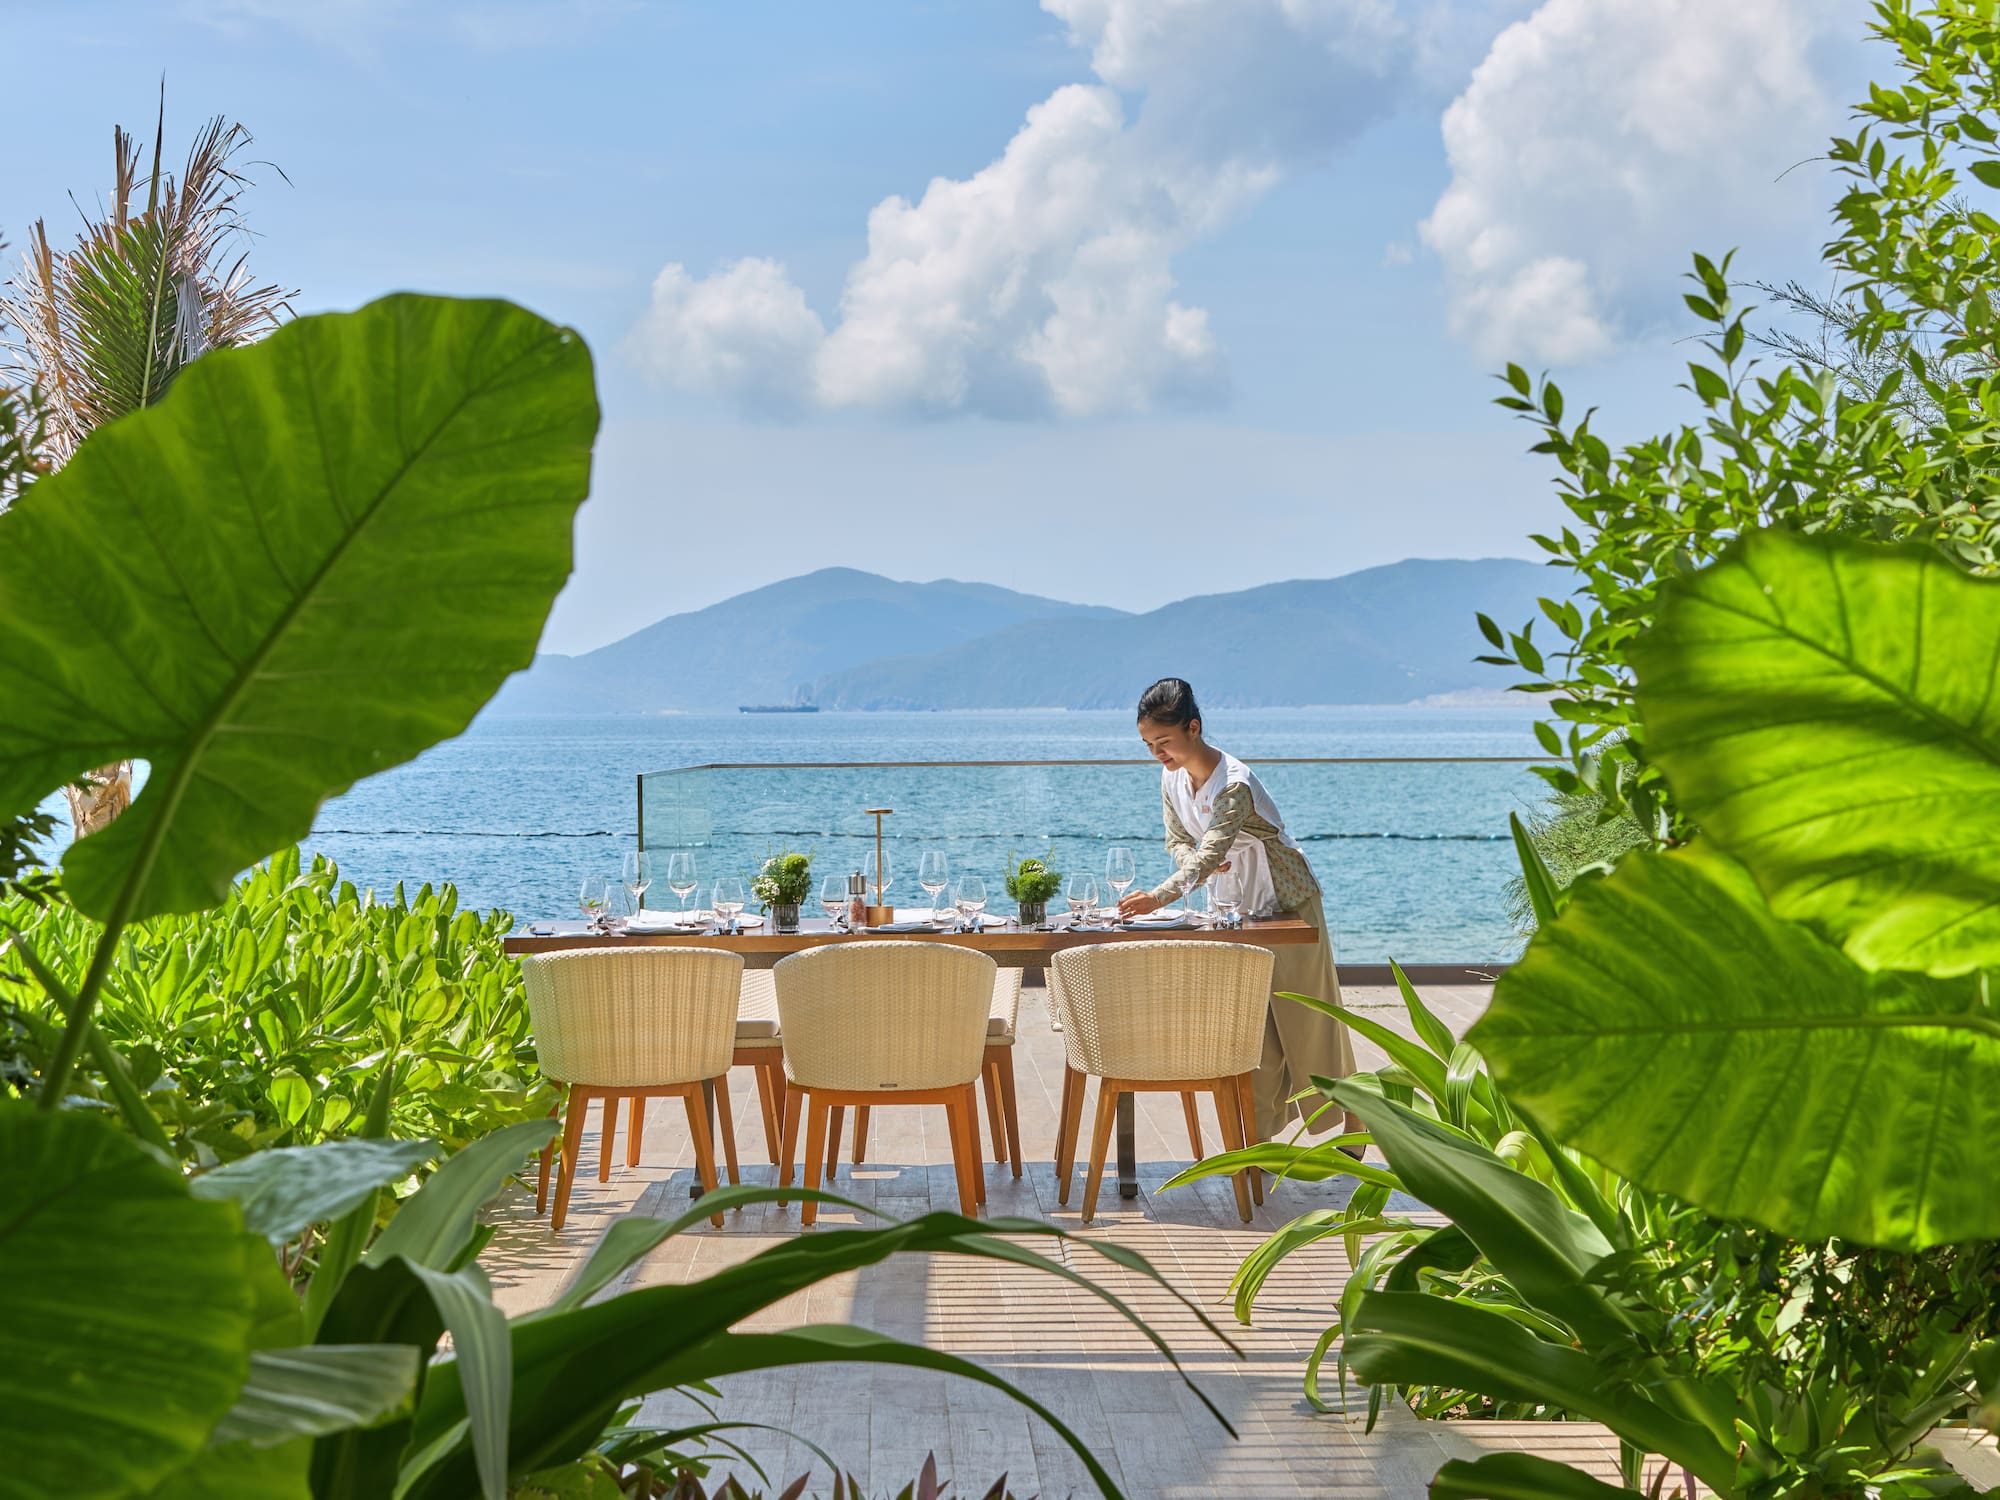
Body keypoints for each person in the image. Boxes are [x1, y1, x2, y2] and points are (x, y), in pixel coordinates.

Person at [1115, 677, 1361, 1144]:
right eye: (1148, 744)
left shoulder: (1234, 784)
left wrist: (1157, 897)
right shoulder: (1170, 779)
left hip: (1288, 902)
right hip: (1230, 906)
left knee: (1310, 1020)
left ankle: (1355, 1117)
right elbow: (1182, 843)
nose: (1157, 754)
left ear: (1194, 727)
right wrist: (1196, 866)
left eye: (1163, 742)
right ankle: (1259, 1134)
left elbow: (1208, 854)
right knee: (1250, 1023)